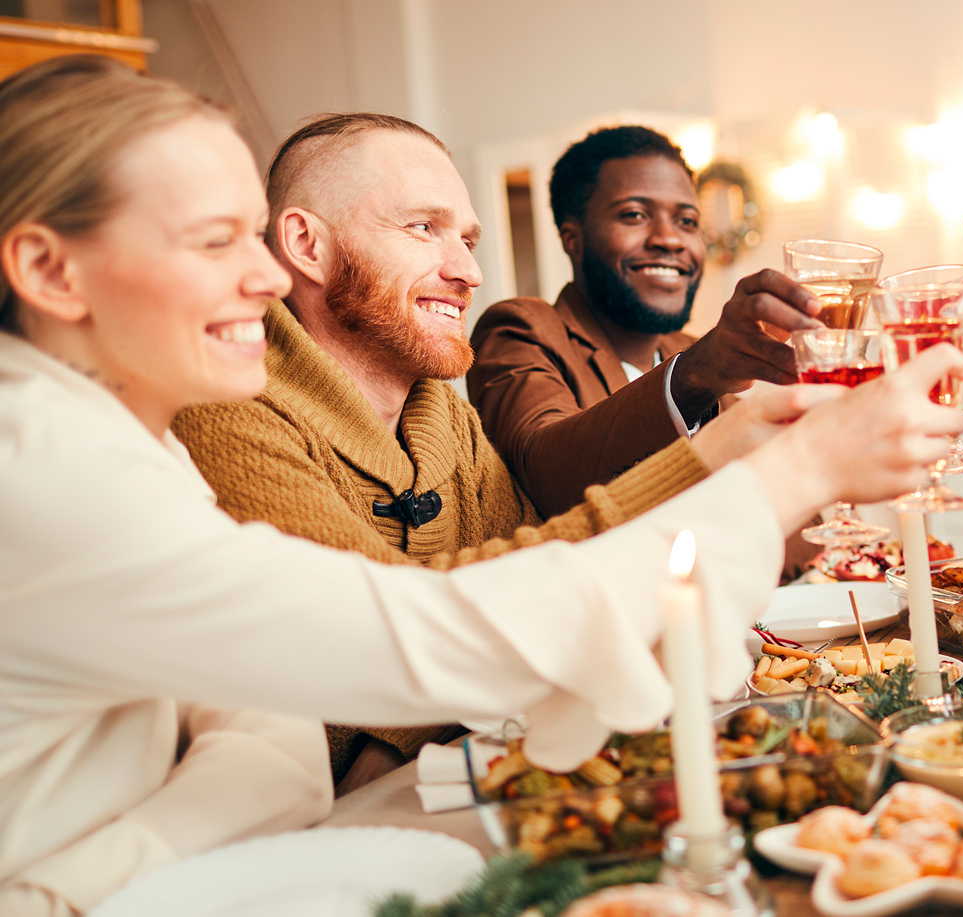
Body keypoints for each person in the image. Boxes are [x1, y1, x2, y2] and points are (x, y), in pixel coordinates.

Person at [0, 55, 963, 914]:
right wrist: (783, 469)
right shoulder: (44, 463)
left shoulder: (126, 438)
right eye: (215, 240)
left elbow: (281, 745)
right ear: (50, 269)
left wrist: (73, 882)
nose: (261, 279)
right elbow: (421, 637)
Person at [170, 114, 747, 793]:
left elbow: (535, 582)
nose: (468, 271)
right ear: (306, 244)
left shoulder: (442, 413)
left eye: (467, 238)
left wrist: (397, 744)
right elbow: (383, 640)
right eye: (423, 228)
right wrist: (719, 459)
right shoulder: (224, 406)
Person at [467, 126, 825, 517]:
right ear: (573, 238)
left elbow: (786, 508)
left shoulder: (686, 347)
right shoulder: (520, 330)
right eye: (635, 215)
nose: (670, 239)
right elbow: (546, 477)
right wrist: (693, 378)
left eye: (687, 221)